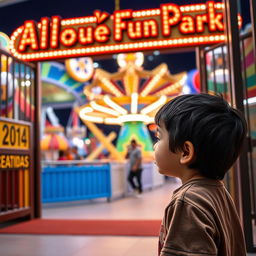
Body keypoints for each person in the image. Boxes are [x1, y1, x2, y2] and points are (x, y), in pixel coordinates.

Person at [154, 94, 247, 256]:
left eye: (160, 137)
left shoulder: (188, 201)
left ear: (186, 152)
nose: (154, 146)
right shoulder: (217, 191)